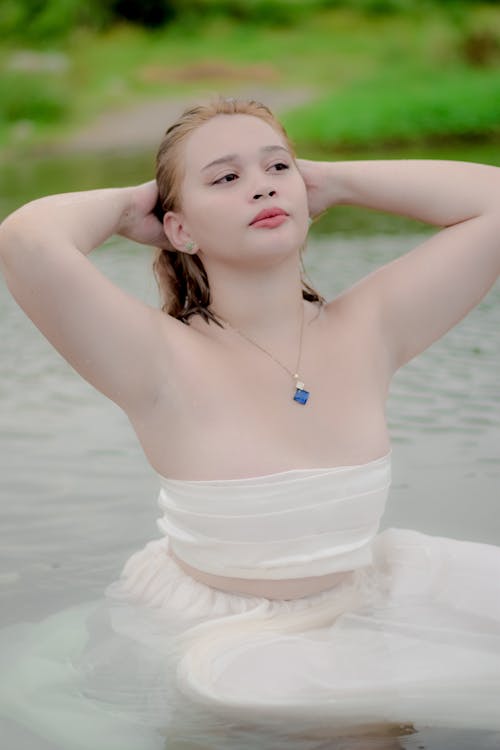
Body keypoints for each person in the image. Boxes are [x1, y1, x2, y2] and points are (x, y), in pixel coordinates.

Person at [0, 96, 499, 750]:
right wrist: (133, 206)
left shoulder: (370, 326)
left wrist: (338, 181)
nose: (261, 184)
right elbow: (26, 240)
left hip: (368, 595)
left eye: (277, 167)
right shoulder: (158, 361)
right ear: (178, 230)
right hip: (235, 644)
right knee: (317, 719)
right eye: (225, 178)